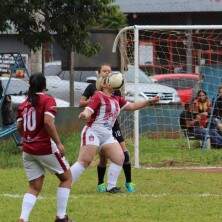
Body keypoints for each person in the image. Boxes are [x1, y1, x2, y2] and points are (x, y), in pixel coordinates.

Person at [71, 72, 159, 193]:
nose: (105, 80)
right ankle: (66, 182)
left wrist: (149, 101)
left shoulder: (117, 99)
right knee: (85, 161)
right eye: (105, 79)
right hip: (93, 132)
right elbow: (88, 109)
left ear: (110, 85)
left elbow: (133, 106)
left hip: (107, 135)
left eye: (107, 79)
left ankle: (111, 186)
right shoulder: (98, 95)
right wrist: (84, 114)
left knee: (119, 157)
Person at [17, 74, 73, 222]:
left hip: (28, 149)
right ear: (44, 85)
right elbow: (48, 122)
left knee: (34, 186)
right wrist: (59, 143)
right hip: (44, 147)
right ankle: (61, 217)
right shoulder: (48, 99)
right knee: (67, 178)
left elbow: (19, 126)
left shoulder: (24, 103)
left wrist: (27, 138)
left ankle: (23, 219)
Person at [80, 64, 135, 193]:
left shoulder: (115, 87)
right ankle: (101, 183)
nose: (107, 73)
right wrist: (94, 102)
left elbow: (123, 104)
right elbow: (81, 103)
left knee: (124, 153)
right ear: (99, 72)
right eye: (104, 71)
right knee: (103, 157)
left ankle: (128, 182)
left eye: (109, 71)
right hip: (97, 125)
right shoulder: (93, 88)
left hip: (113, 125)